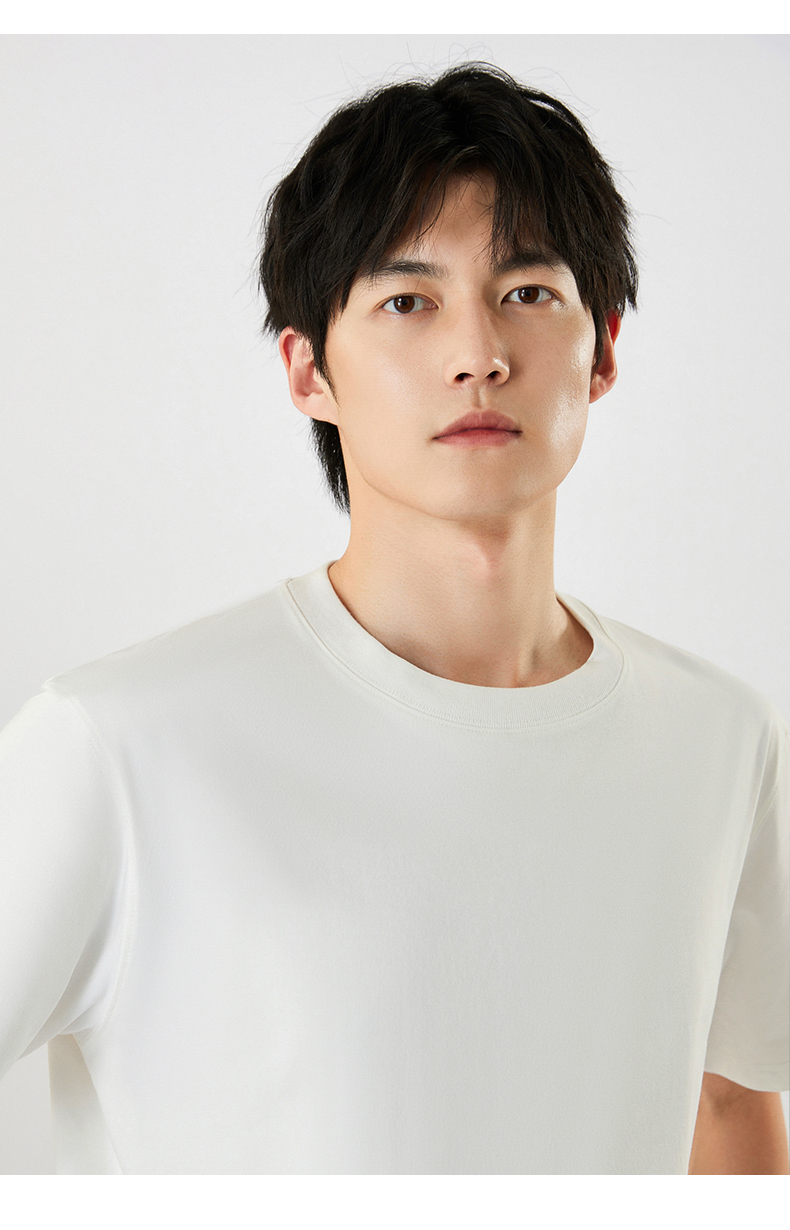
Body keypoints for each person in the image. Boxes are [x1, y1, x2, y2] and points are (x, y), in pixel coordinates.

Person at [0, 62, 787, 1176]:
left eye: (527, 292)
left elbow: (726, 1106)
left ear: (604, 348)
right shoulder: (116, 742)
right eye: (407, 303)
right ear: (308, 371)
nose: (479, 356)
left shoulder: (719, 738)